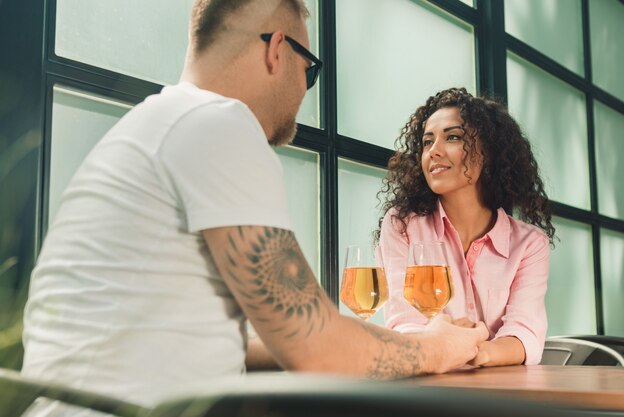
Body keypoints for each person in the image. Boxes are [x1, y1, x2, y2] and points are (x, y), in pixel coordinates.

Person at [21, 1, 488, 413]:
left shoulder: (154, 125)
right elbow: (317, 352)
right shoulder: (220, 126)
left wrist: (398, 341)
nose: (306, 91)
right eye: (311, 70)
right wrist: (436, 350)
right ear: (277, 50)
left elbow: (242, 339)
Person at [377, 87, 555, 367]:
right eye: (426, 142)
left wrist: (473, 351)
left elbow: (525, 334)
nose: (433, 152)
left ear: (488, 152)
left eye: (453, 137)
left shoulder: (530, 244)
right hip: (425, 394)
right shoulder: (402, 226)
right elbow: (405, 326)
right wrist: (457, 345)